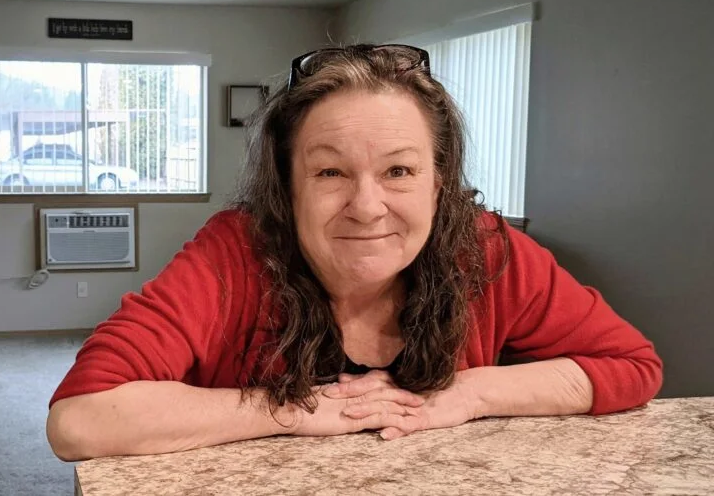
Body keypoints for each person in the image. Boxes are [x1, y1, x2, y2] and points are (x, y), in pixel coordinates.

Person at [46, 44, 662, 462]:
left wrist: (469, 393)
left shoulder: (485, 249)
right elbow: (81, 419)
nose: (367, 207)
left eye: (399, 170)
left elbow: (631, 367)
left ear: (438, 181)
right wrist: (292, 410)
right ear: (288, 189)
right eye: (330, 173)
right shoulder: (235, 253)